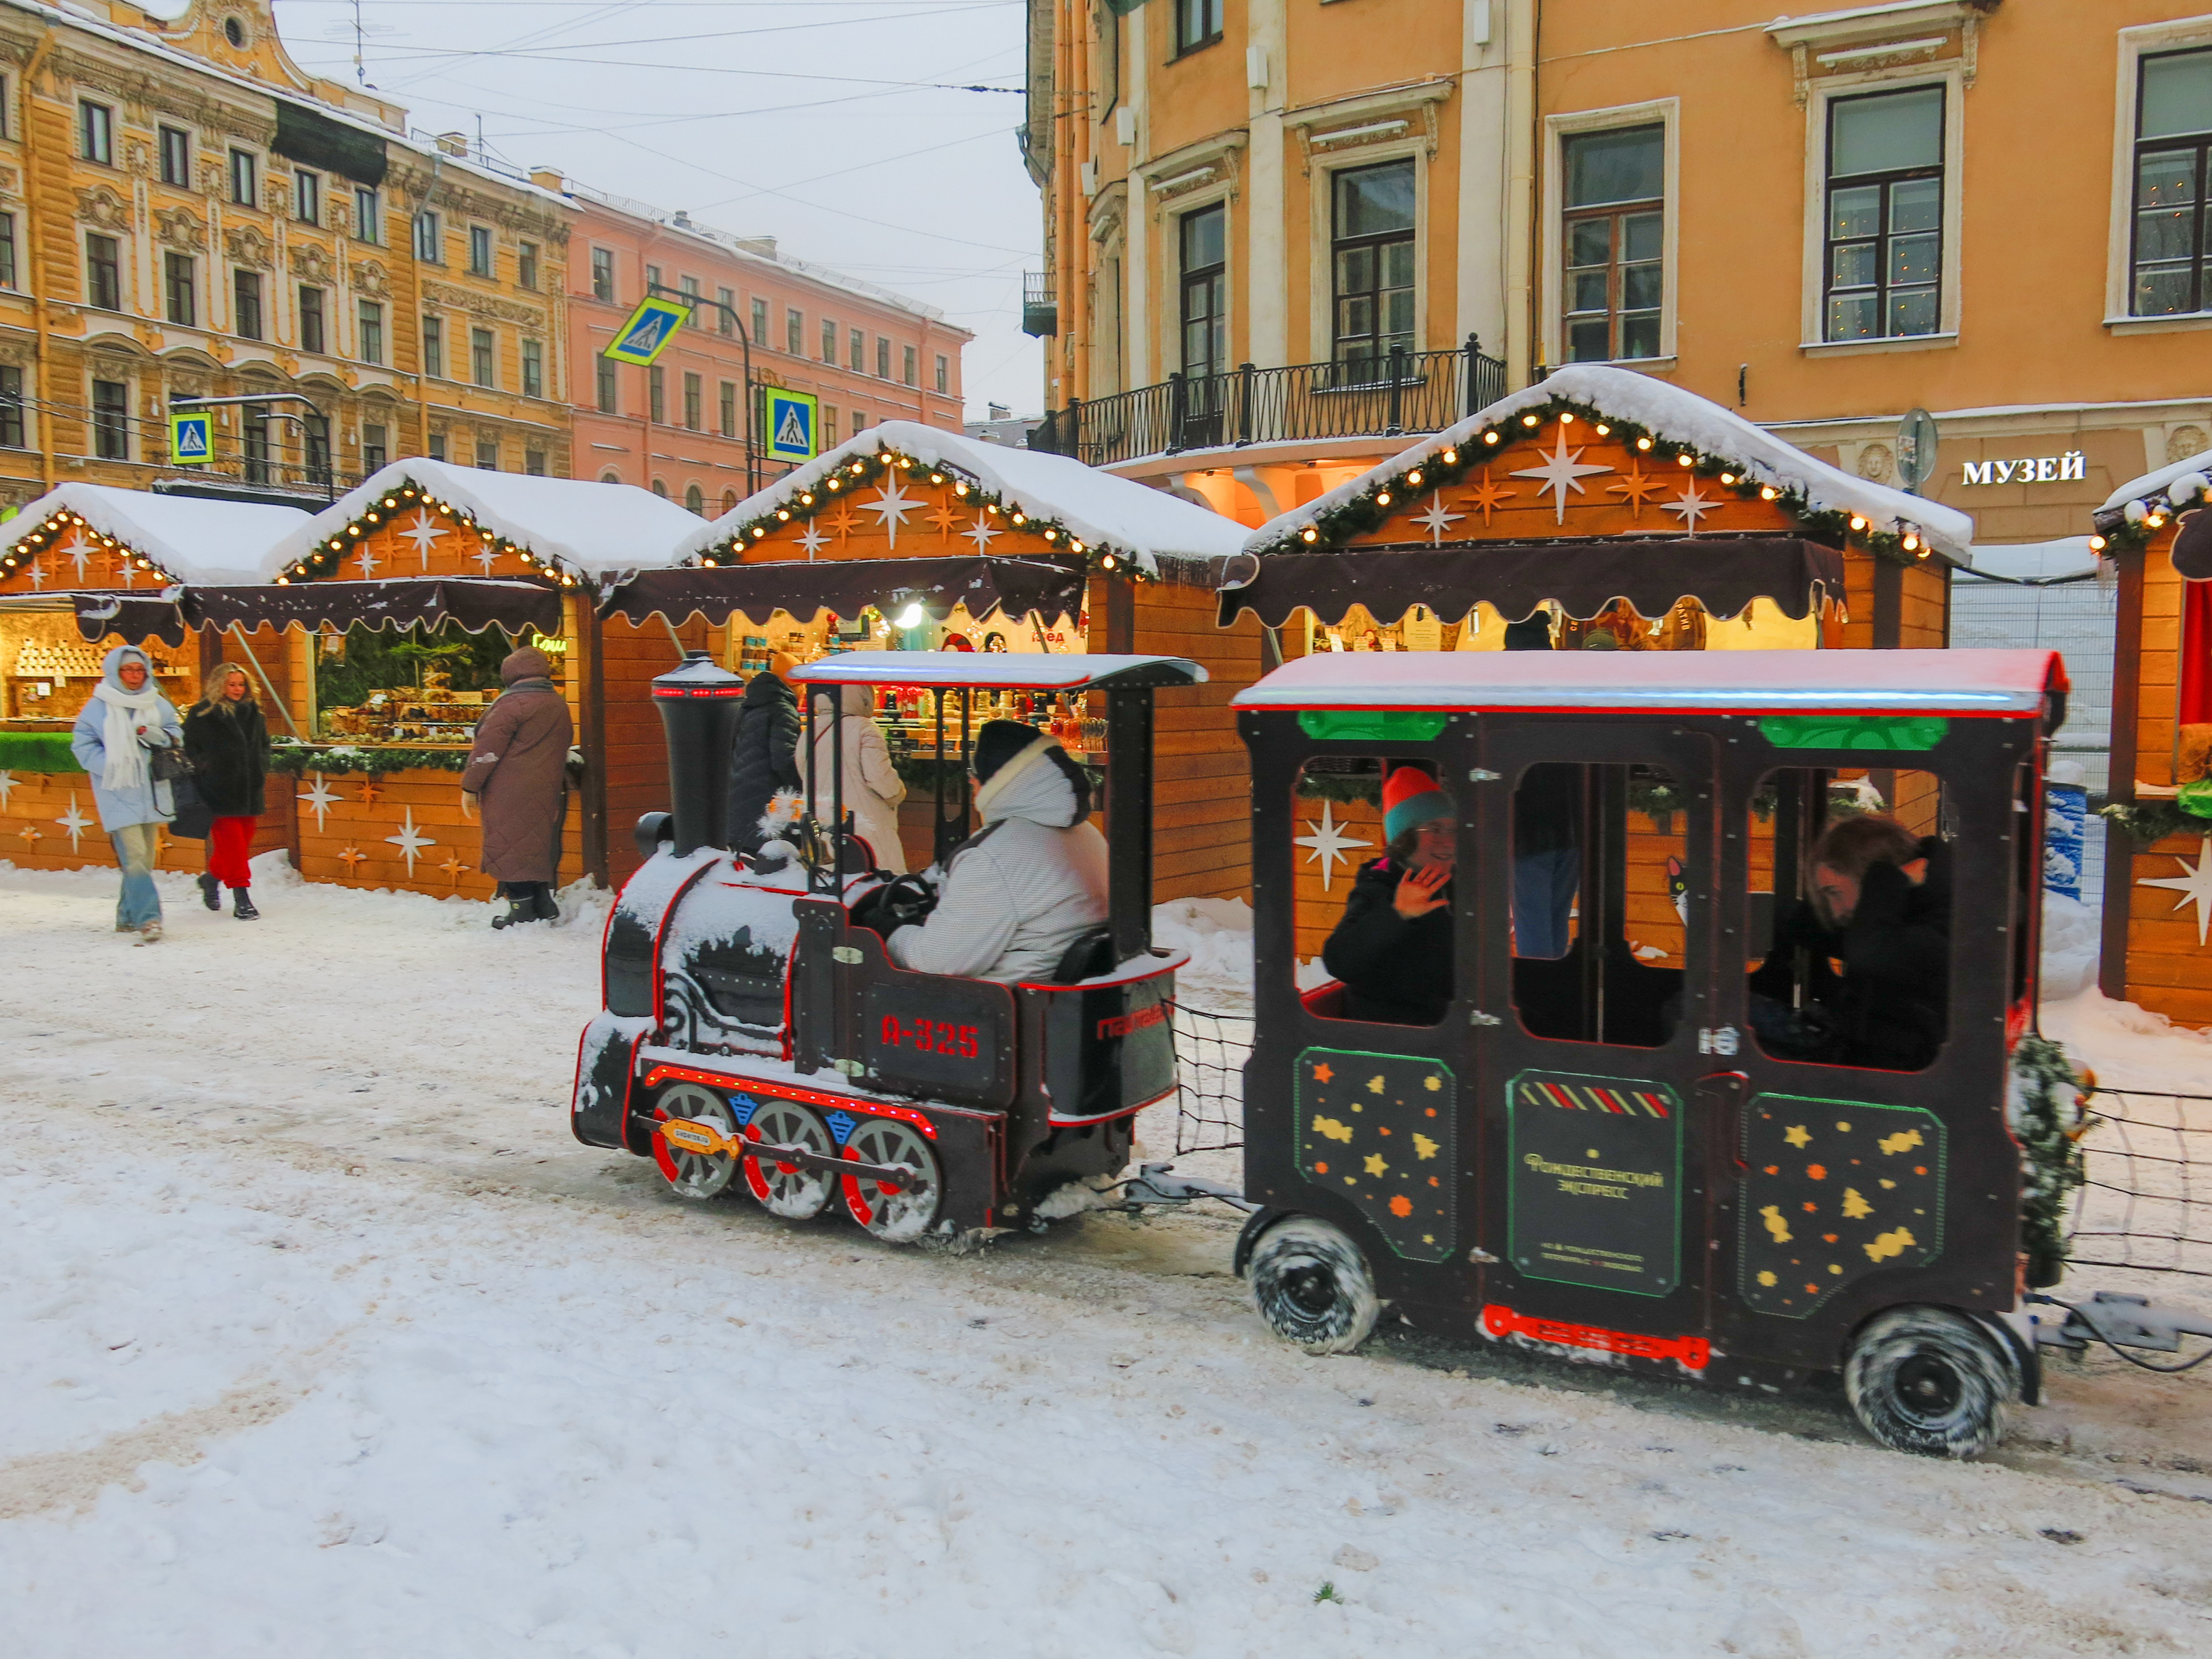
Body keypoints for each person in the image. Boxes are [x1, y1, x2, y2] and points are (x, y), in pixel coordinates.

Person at [881, 720, 1106, 982]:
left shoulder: (994, 855)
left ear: (998, 780)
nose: (972, 784)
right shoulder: (1087, 833)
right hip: (1064, 983)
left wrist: (890, 933)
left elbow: (938, 959)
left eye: (975, 774)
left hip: (1007, 1002)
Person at [1748, 812, 1951, 1072]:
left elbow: (1869, 955)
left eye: (1835, 893)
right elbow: (1808, 925)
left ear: (1869, 876)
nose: (1835, 911)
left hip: (1875, 1070)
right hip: (1856, 1050)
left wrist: (1886, 881)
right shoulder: (1905, 907)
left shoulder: (1945, 922)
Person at [1321, 765, 1456, 1024]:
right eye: (1435, 829)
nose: (1448, 841)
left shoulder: (1455, 884)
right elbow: (1339, 961)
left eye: (1453, 830)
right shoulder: (1378, 887)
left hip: (1445, 1029)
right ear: (1405, 838)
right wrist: (1398, 914)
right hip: (1390, 1036)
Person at [70, 645, 182, 943]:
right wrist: (110, 765)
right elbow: (82, 745)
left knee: (144, 859)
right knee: (133, 857)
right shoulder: (98, 707)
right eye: (128, 670)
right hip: (118, 789)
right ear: (114, 672)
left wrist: (153, 734)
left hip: (152, 789)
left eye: (139, 669)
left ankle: (126, 916)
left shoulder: (156, 703)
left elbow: (175, 734)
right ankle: (150, 919)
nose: (134, 675)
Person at [461, 645, 573, 929]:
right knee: (534, 842)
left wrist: (470, 786)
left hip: (508, 788)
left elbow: (487, 751)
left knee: (510, 844)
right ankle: (543, 903)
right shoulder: (557, 703)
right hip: (545, 787)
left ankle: (521, 910)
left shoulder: (512, 704)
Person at [182, 663, 270, 920]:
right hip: (218, 790)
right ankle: (242, 898)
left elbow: (264, 745)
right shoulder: (202, 713)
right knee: (233, 844)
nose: (237, 689)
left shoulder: (254, 712)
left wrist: (261, 766)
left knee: (241, 843)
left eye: (241, 684)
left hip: (250, 789)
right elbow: (190, 748)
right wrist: (207, 768)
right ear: (219, 685)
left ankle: (211, 880)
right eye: (232, 684)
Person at [800, 681, 908, 874]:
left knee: (835, 884)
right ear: (863, 696)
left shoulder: (810, 731)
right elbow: (880, 778)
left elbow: (804, 773)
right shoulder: (864, 728)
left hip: (824, 825)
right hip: (863, 829)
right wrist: (898, 793)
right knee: (877, 883)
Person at [726, 651, 801, 852]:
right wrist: (803, 787)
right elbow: (784, 760)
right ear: (794, 687)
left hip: (740, 799)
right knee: (775, 864)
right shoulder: (783, 710)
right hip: (769, 805)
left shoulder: (749, 705)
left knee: (747, 863)